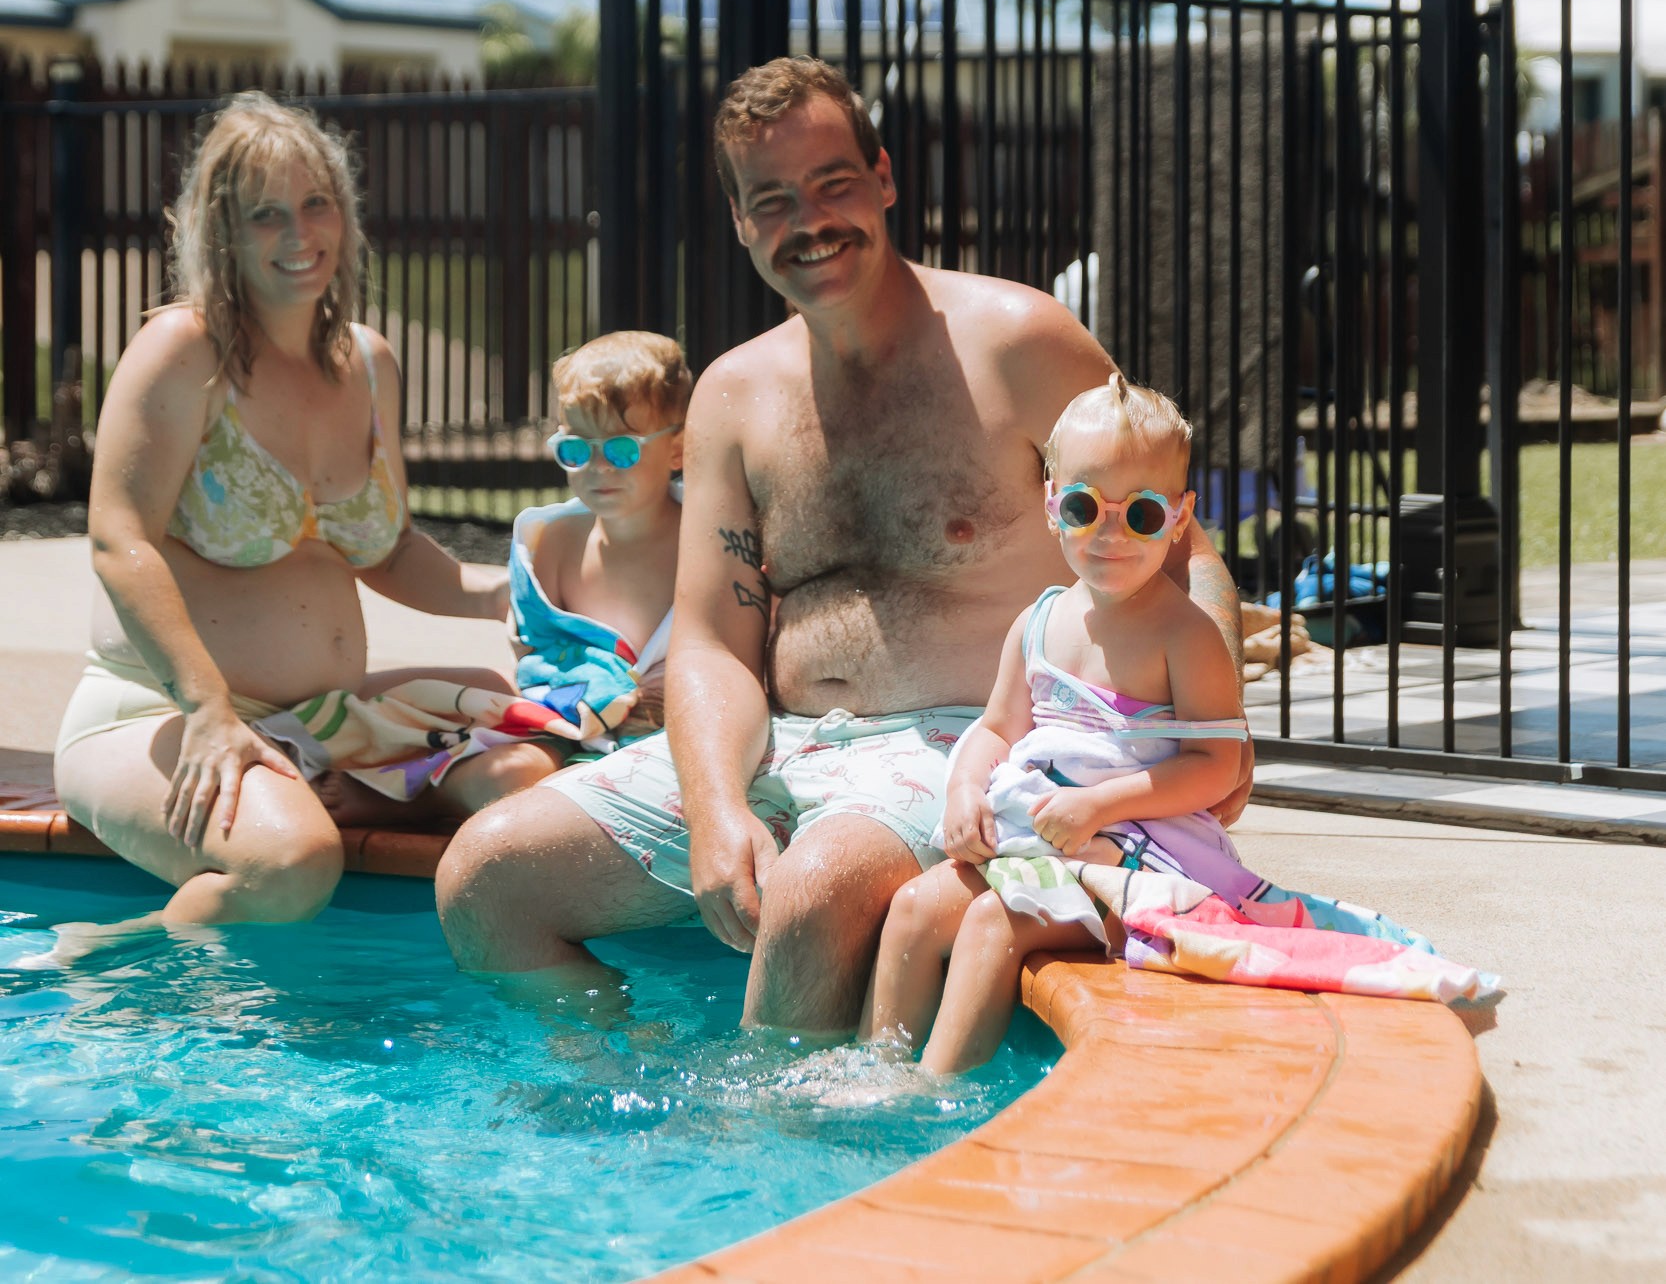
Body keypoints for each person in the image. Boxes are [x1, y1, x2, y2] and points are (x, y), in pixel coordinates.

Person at [437, 57, 1249, 1033]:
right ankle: (621, 1092)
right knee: (484, 881)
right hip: (792, 742)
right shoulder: (735, 396)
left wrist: (1216, 739)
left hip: (971, 743)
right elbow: (708, 642)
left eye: (833, 183)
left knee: (815, 889)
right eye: (771, 199)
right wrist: (715, 803)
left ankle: (776, 1157)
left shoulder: (1016, 342)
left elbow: (1183, 546)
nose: (809, 220)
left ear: (885, 177)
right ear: (739, 221)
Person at [53, 93, 557, 948]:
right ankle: (114, 965)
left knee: (530, 770)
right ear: (221, 231)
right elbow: (118, 540)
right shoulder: (185, 351)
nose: (300, 234)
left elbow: (386, 547)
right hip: (164, 715)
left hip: (326, 719)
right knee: (289, 865)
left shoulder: (366, 361)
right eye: (266, 215)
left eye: (316, 204)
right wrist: (209, 709)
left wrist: (508, 597)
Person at [863, 376, 1246, 1072]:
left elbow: (1217, 767)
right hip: (1040, 843)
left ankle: (933, 1091)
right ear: (1051, 505)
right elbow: (994, 729)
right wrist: (963, 793)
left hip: (1134, 856)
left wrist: (1101, 803)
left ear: (1181, 517)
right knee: (914, 907)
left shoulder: (1185, 637)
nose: (1110, 534)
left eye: (1143, 516)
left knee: (992, 921)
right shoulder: (1038, 623)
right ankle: (869, 1071)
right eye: (1084, 506)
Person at [509, 331, 688, 748]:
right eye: (576, 450)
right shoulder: (550, 547)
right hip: (572, 734)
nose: (599, 466)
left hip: (676, 740)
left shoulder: (708, 543)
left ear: (678, 450)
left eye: (622, 449)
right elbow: (537, 659)